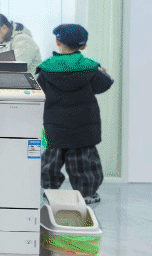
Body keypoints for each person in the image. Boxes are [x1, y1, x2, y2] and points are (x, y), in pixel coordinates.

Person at [35, 23, 113, 205]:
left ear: (58, 42)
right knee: (85, 163)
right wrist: (106, 75)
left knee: (50, 161)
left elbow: (39, 92)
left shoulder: (46, 69)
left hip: (54, 126)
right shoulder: (90, 67)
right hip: (84, 128)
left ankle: (48, 189)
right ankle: (87, 193)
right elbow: (103, 85)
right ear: (83, 45)